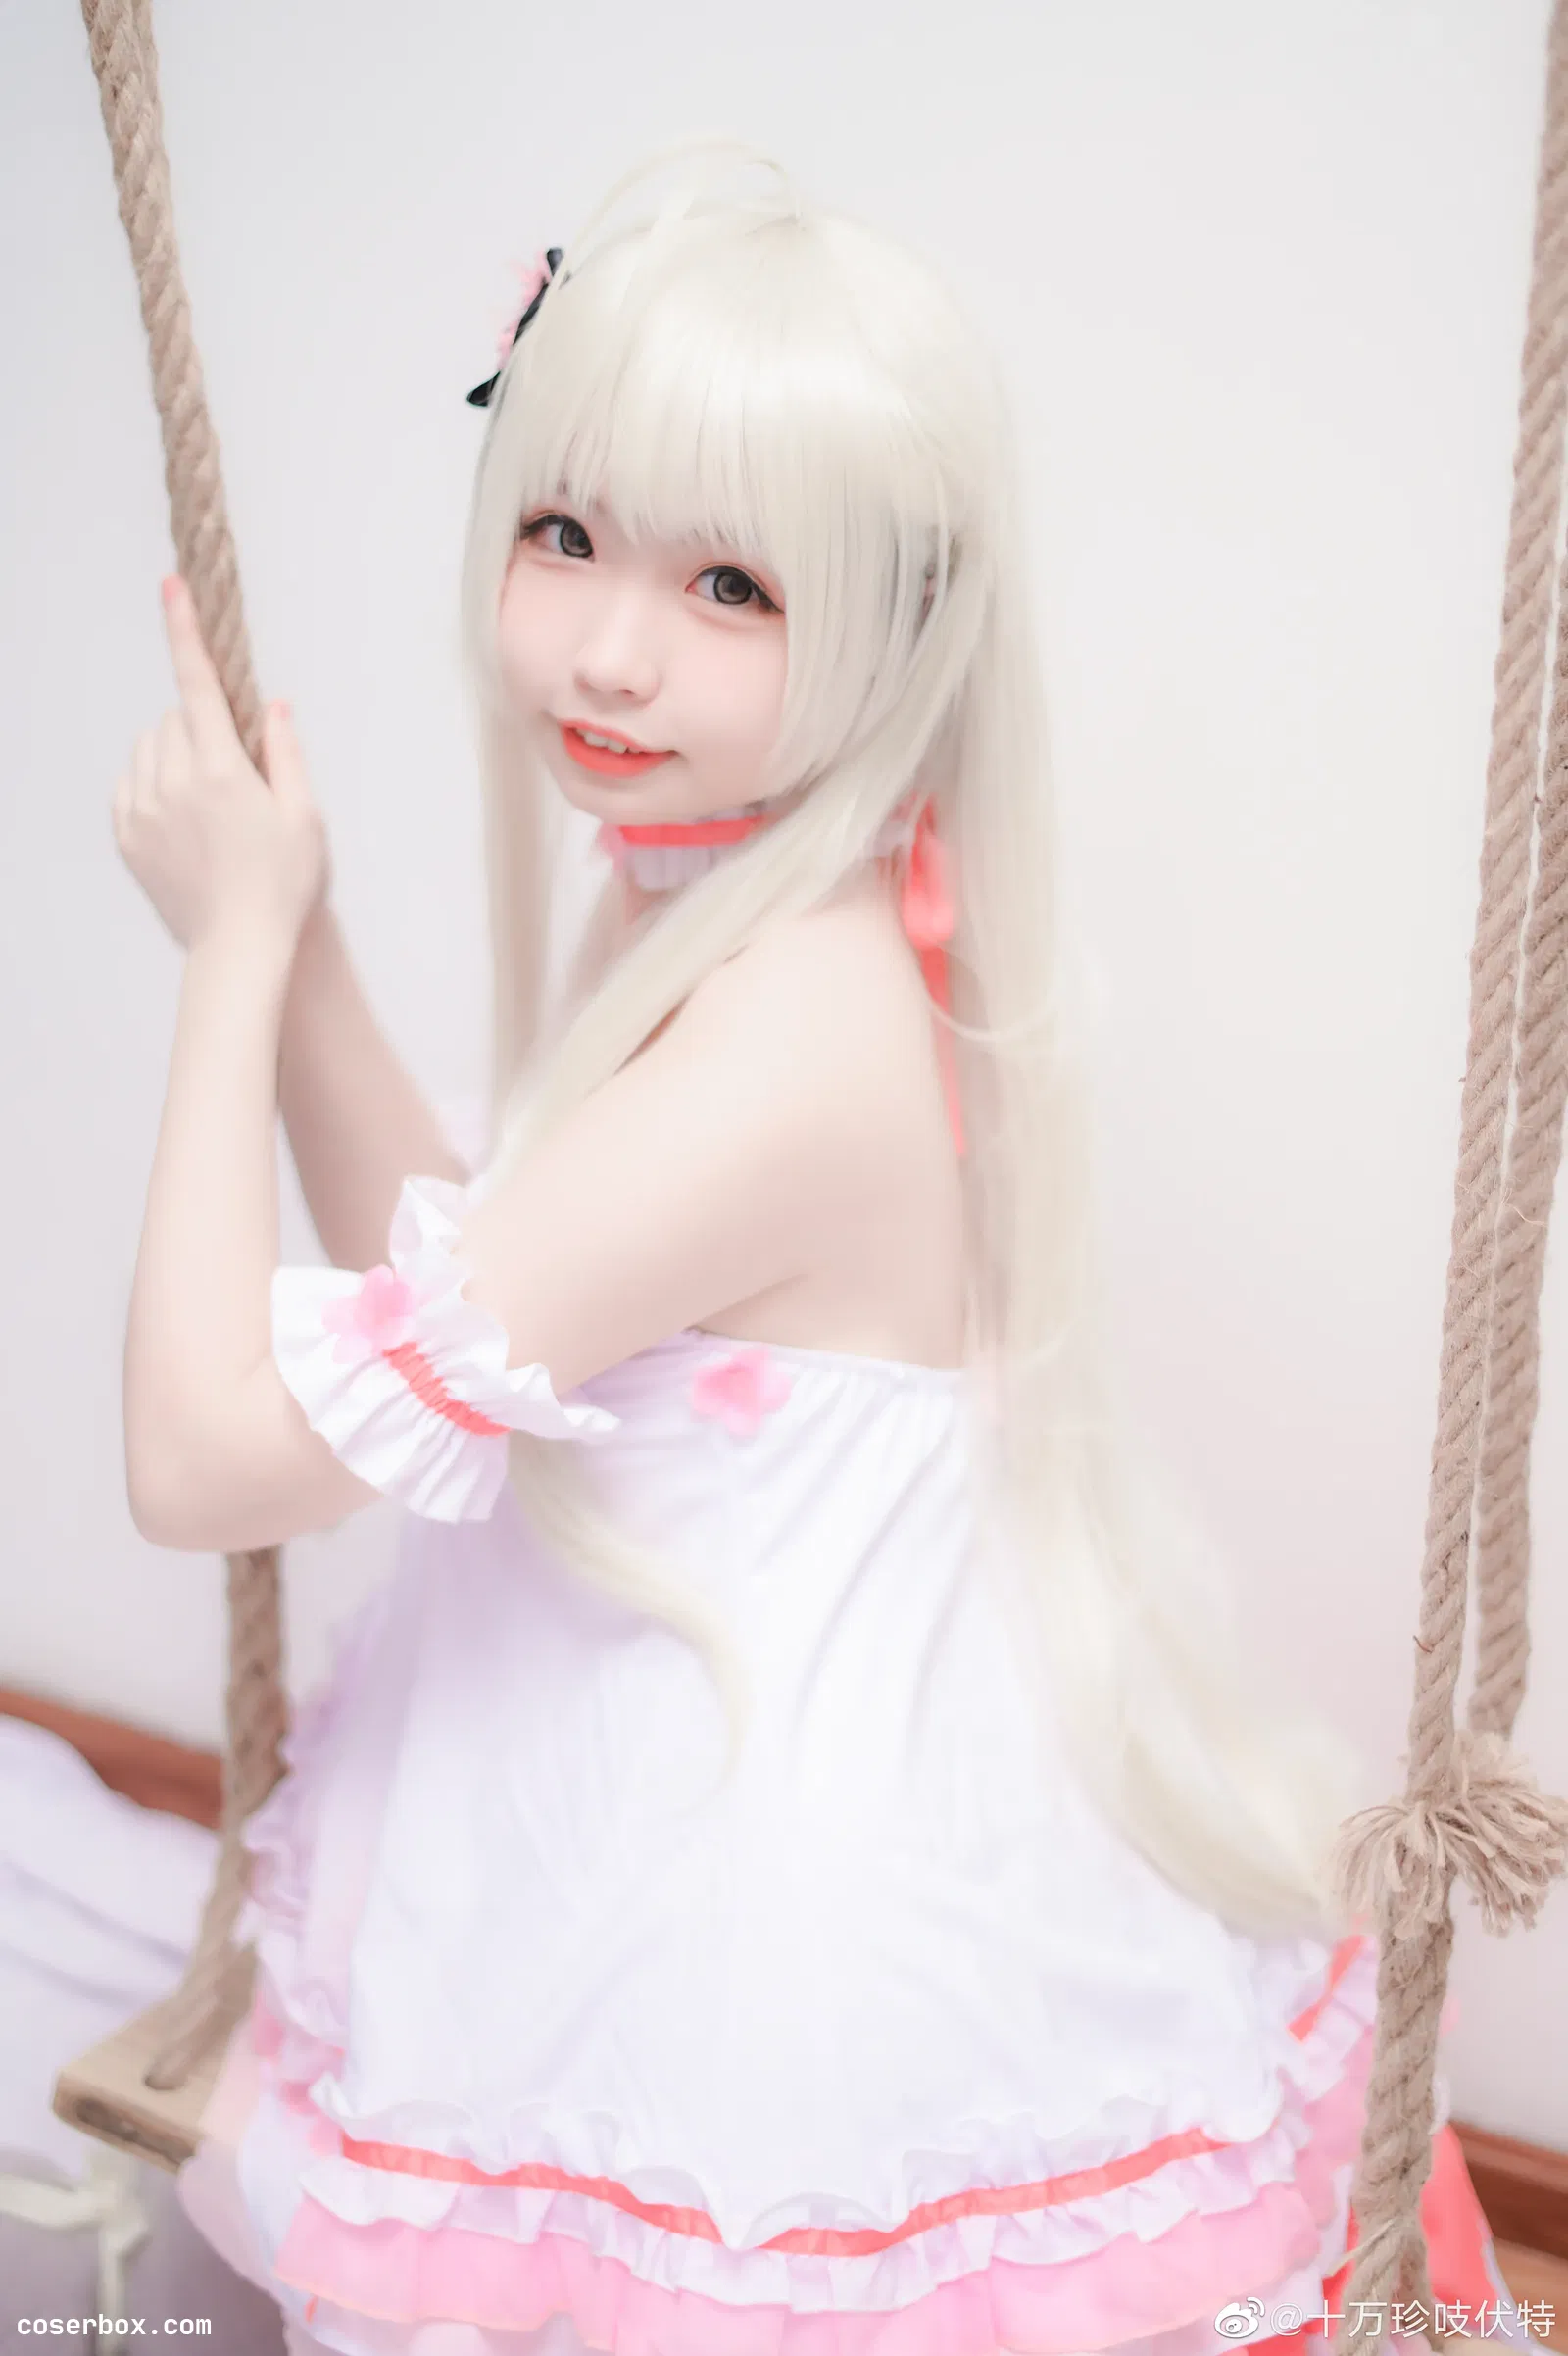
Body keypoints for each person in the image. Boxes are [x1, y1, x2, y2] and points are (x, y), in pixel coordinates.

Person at [112, 146, 1519, 2356]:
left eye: (730, 584)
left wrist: (231, 953)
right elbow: (479, 1285)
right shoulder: (721, 873)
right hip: (684, 1748)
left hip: (778, 1913)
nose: (609, 645)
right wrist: (299, 953)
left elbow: (208, 1460)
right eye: (564, 532)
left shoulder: (800, 1030)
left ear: (891, 615)